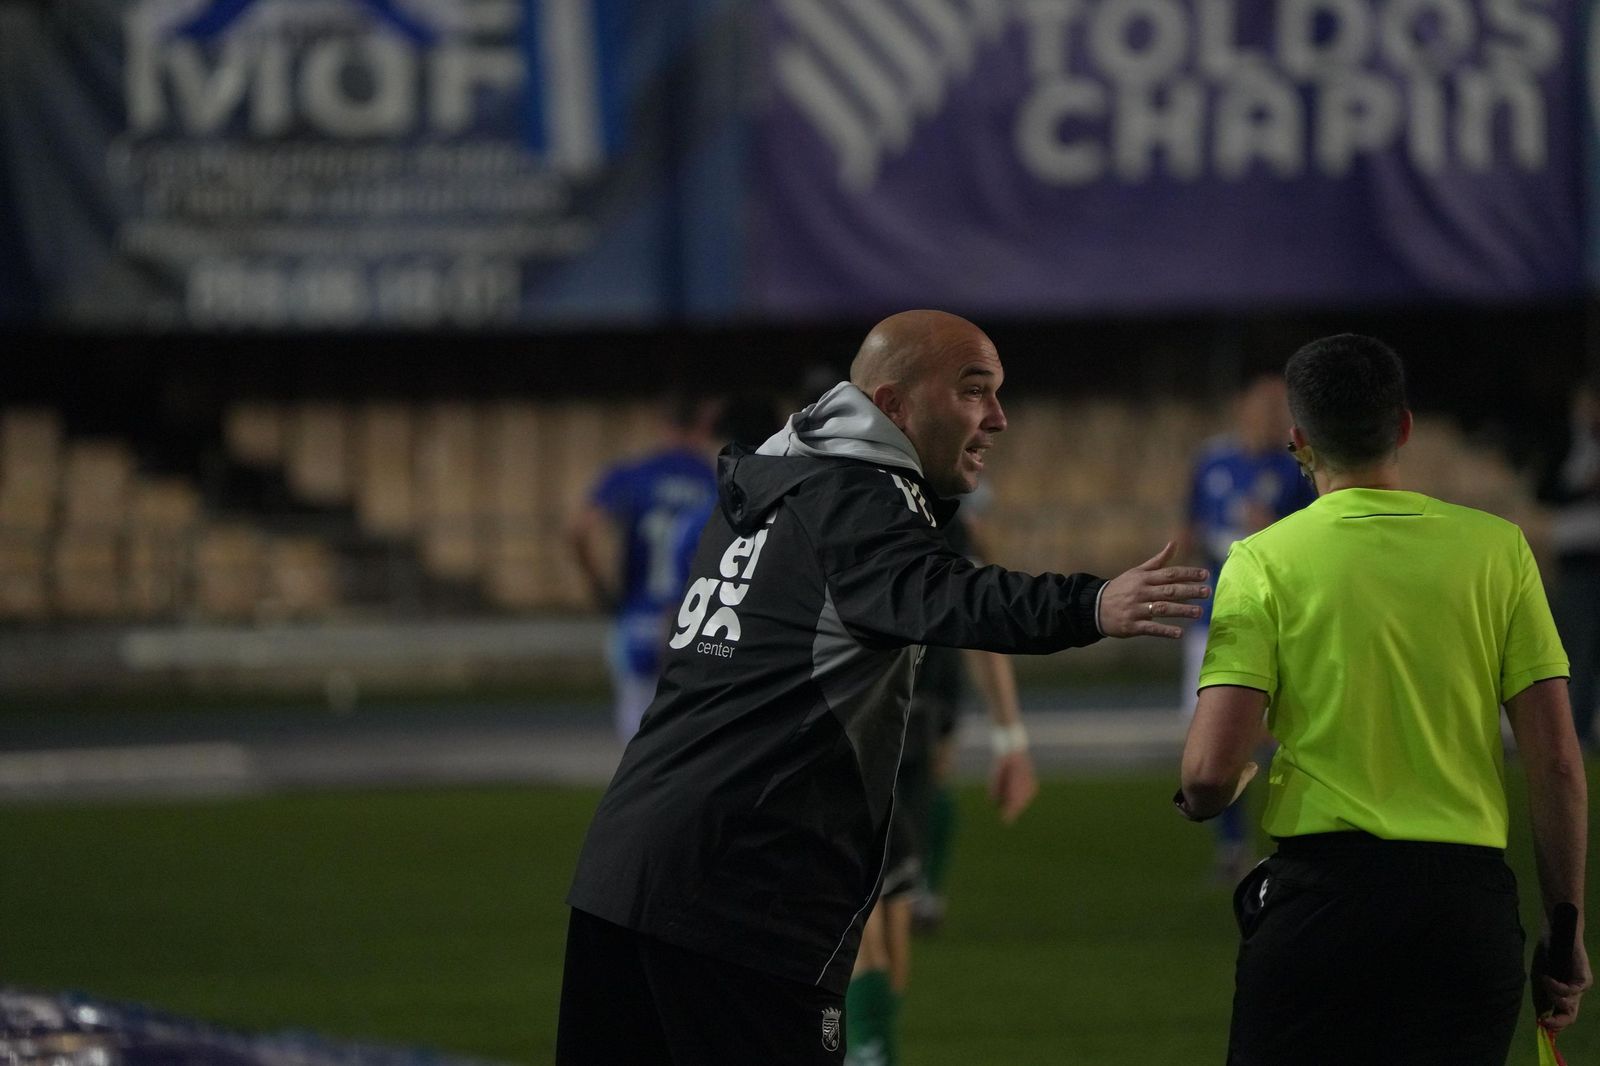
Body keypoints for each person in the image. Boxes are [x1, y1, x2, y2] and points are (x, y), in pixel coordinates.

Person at [557, 309, 1211, 1066]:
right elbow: (953, 595)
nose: (998, 418)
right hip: (743, 894)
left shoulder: (768, 486)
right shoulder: (861, 497)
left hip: (622, 870)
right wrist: (1092, 603)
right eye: (974, 391)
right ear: (894, 406)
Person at [1178, 334, 1590, 1065]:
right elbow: (1557, 762)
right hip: (1464, 907)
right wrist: (1565, 934)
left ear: (1299, 441)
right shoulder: (1499, 550)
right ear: (1403, 427)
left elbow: (1209, 772)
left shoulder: (1261, 560)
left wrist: (1217, 789)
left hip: (1323, 902)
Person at [845, 503, 1035, 1066]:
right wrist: (1009, 739)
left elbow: (981, 615)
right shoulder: (930, 516)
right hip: (899, 730)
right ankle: (872, 1048)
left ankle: (868, 1049)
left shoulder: (857, 507)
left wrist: (1010, 739)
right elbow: (984, 616)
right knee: (881, 917)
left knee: (868, 919)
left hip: (877, 733)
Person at [1176, 375, 1317, 881]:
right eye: (1264, 406)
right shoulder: (1212, 461)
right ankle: (1233, 847)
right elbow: (1190, 527)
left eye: (1280, 408)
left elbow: (1314, 542)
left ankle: (1296, 837)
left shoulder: (1298, 469)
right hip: (1218, 617)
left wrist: (1272, 532)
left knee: (1282, 736)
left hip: (1279, 620)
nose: (1272, 417)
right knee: (1218, 742)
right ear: (1242, 408)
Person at [567, 396, 720, 742]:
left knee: (635, 740)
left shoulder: (632, 474)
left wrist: (598, 586)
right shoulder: (715, 478)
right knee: (690, 739)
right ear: (705, 424)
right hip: (693, 623)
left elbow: (579, 530)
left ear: (663, 424)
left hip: (637, 615)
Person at [1536, 378, 1600, 749]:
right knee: (1577, 646)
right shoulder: (1564, 445)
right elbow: (1544, 492)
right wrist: (1582, 487)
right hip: (1577, 560)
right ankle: (1576, 731)